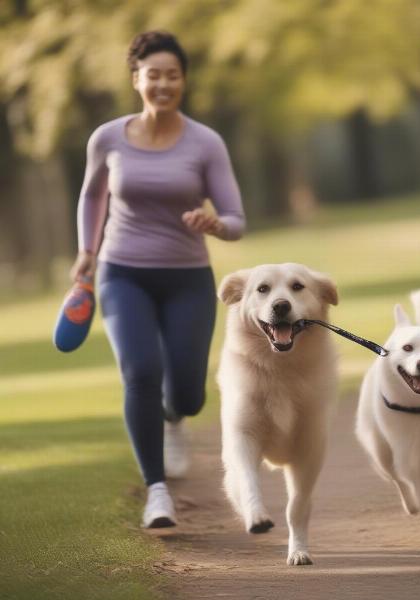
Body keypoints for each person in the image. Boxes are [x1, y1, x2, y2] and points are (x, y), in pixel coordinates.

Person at [70, 30, 246, 528]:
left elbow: (236, 218)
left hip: (188, 278)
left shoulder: (205, 142)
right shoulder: (107, 137)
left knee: (188, 394)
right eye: (153, 75)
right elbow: (91, 197)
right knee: (141, 372)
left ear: (183, 81)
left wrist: (215, 224)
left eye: (172, 75)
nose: (163, 84)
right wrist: (87, 250)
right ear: (136, 80)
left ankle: (175, 418)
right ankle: (157, 492)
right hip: (122, 273)